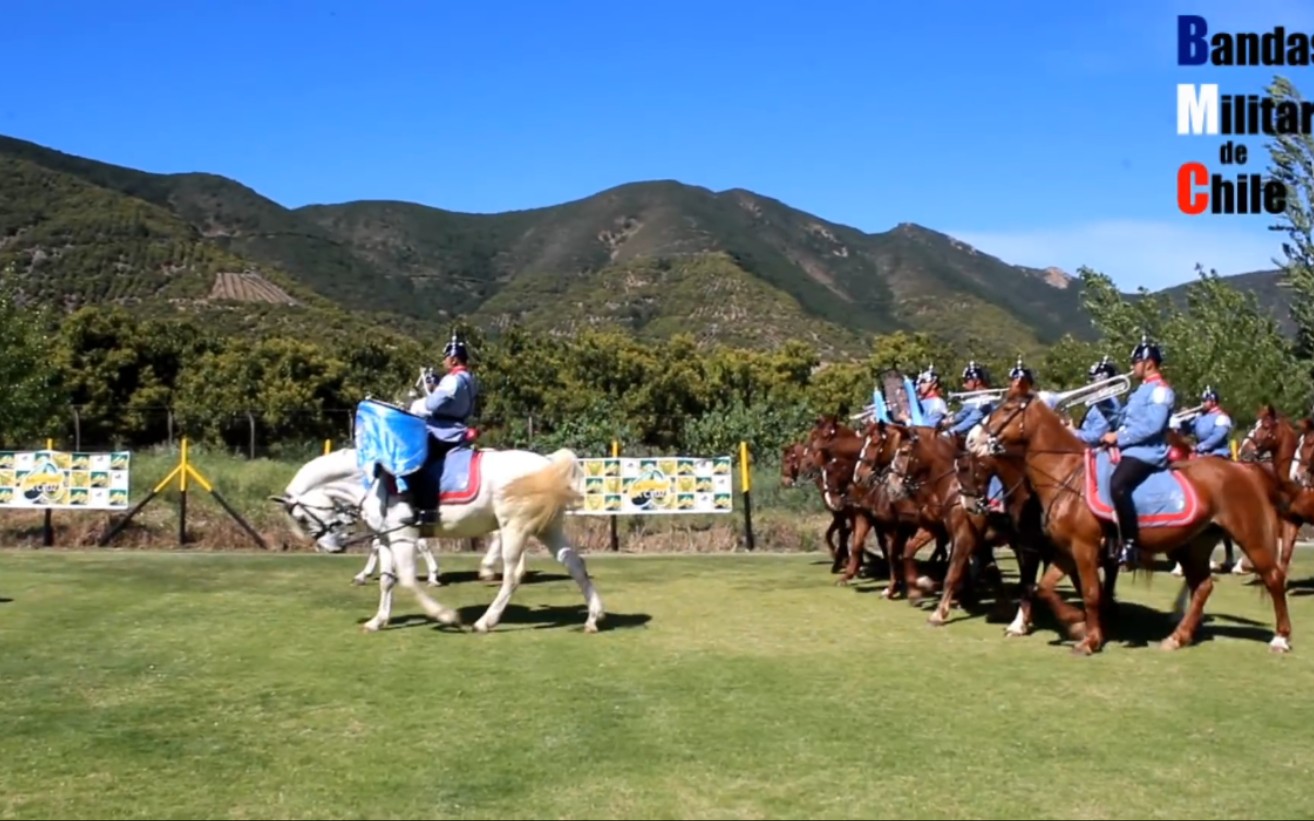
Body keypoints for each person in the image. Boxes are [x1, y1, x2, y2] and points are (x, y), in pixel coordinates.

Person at [1100, 335, 1174, 567]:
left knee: (1118, 485)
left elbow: (1152, 426)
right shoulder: (1140, 391)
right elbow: (1122, 419)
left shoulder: (1161, 391)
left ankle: (1131, 544)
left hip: (1147, 452)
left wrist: (1118, 437)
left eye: (1135, 362)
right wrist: (1102, 401)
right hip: (1130, 448)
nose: (1133, 368)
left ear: (1148, 363)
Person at [411, 331, 480, 523]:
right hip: (460, 428)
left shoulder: (451, 380)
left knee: (417, 464)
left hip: (441, 431)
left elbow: (433, 405)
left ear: (454, 359)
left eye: (446, 358)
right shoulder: (471, 380)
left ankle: (424, 508)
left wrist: (418, 404)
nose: (444, 362)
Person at [1072, 356, 1125, 446]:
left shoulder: (1108, 403)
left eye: (1093, 379)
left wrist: (1073, 432)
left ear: (1103, 379)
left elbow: (1096, 436)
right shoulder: (1098, 401)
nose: (1090, 383)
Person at [944, 360, 995, 437]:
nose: (964, 384)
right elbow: (962, 415)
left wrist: (952, 431)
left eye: (966, 381)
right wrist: (949, 420)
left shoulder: (986, 401)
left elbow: (973, 419)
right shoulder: (973, 399)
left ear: (977, 381)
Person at [1191, 386, 1233, 458]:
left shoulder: (1222, 417)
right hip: (1201, 454)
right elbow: (1190, 429)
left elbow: (1217, 437)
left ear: (1213, 402)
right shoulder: (1199, 416)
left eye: (1205, 401)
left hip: (1218, 453)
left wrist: (1200, 447)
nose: (1202, 403)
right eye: (1202, 400)